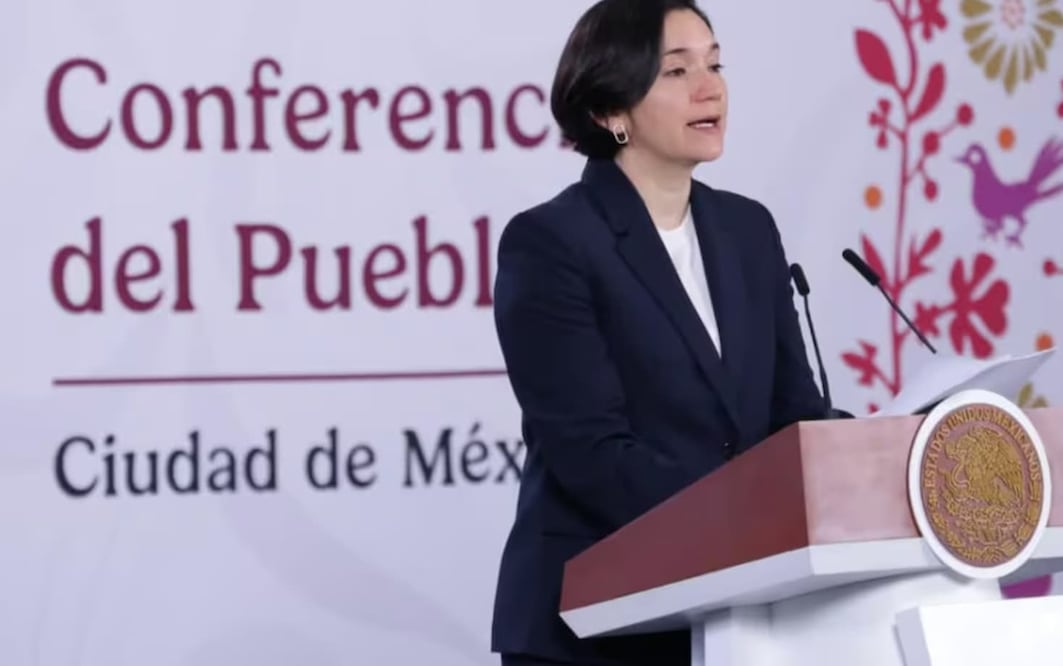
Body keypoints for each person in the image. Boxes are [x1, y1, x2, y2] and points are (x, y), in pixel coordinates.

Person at [489, 1, 827, 664]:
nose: (710, 87)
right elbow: (592, 452)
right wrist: (748, 515)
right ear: (609, 112)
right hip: (598, 626)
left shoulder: (747, 231)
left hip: (741, 619)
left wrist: (871, 451)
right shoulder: (551, 243)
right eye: (676, 71)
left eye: (715, 64)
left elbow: (793, 414)